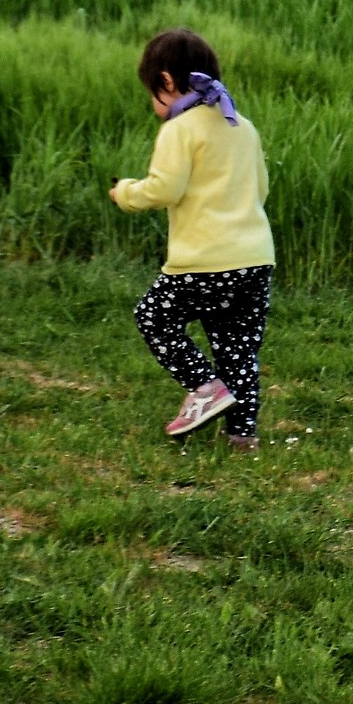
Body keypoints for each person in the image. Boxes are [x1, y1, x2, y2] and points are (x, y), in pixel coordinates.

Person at [108, 29, 275, 448]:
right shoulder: (242, 126)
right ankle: (242, 435)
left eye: (152, 92)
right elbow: (261, 189)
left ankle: (205, 388)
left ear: (166, 81)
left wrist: (126, 192)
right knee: (238, 347)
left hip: (204, 260)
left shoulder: (179, 130)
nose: (153, 104)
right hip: (255, 259)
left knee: (154, 317)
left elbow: (164, 189)